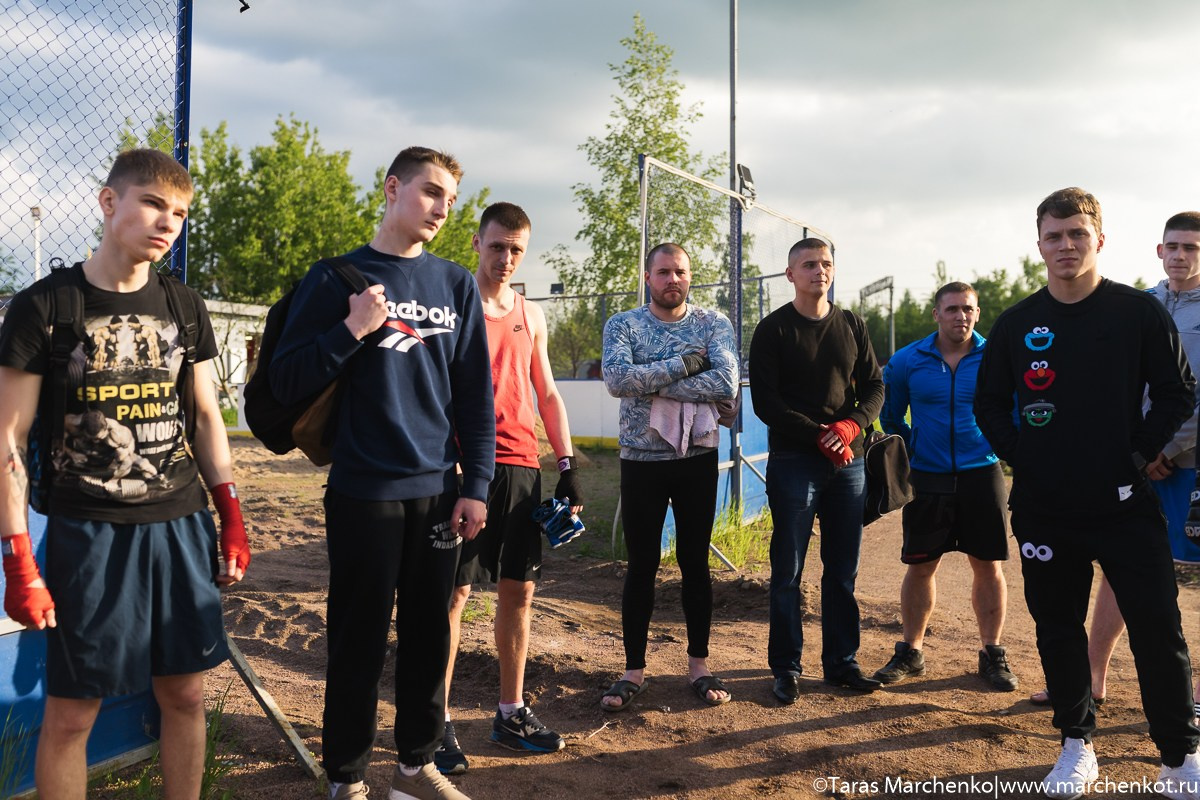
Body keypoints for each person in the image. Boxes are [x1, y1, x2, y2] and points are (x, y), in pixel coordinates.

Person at [0, 148, 250, 799]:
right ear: (110, 204)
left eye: (180, 212)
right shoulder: (45, 307)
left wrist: (230, 517)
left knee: (186, 694)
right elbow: (7, 438)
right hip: (90, 533)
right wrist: (18, 558)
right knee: (72, 712)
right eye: (153, 204)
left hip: (178, 526)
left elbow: (203, 418)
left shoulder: (183, 305)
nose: (168, 222)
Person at [269, 147, 492, 800]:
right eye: (430, 192)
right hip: (363, 492)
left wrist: (475, 486)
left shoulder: (455, 285)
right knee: (358, 644)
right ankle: (347, 777)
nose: (441, 208)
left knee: (428, 639)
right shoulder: (337, 277)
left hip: (437, 493)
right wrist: (350, 329)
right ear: (392, 190)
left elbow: (477, 398)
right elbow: (285, 380)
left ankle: (415, 764)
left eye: (450, 199)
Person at [975, 187, 1200, 800]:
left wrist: (1139, 452)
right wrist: (1025, 456)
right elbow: (989, 404)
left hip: (1126, 505)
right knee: (1057, 628)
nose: (1066, 245)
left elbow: (1179, 391)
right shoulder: (1018, 322)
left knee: (1159, 627)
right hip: (1046, 509)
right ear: (1040, 244)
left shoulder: (1136, 312)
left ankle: (1179, 759)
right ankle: (1078, 745)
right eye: (1054, 235)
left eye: (1077, 234)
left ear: (1099, 239)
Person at [1030, 211, 1200, 710]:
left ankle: (1191, 694)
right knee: (1120, 568)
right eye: (1174, 246)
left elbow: (1187, 393)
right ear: (1159, 250)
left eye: (1192, 247)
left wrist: (1163, 448)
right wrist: (1141, 450)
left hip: (1185, 459)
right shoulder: (1140, 303)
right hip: (1141, 460)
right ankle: (1091, 676)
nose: (1181, 255)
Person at [436, 202, 584, 773]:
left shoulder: (531, 313)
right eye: (497, 246)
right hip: (462, 466)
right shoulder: (452, 302)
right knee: (454, 594)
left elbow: (546, 390)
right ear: (476, 243)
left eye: (517, 249)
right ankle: (437, 720)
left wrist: (566, 462)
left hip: (522, 466)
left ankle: (510, 711)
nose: (506, 258)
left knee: (518, 591)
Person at [599, 242, 738, 711]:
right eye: (663, 272)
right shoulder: (624, 324)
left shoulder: (712, 323)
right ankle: (633, 670)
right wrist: (684, 364)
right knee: (641, 565)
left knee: (695, 563)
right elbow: (617, 380)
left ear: (690, 275)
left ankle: (699, 665)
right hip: (641, 459)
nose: (672, 280)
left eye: (679, 271)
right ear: (647, 277)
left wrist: (652, 378)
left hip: (697, 456)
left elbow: (725, 383)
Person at [748, 237, 885, 702]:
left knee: (842, 570)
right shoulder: (773, 330)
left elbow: (874, 388)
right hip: (795, 462)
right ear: (790, 274)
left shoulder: (852, 324)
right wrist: (820, 436)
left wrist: (849, 426)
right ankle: (786, 667)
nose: (818, 271)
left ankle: (841, 663)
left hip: (848, 463)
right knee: (787, 570)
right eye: (808, 265)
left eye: (826, 263)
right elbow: (766, 403)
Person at [869, 282, 1018, 692]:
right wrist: (913, 448)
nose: (960, 317)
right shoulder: (908, 360)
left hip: (982, 473)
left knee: (988, 565)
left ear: (978, 312)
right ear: (937, 314)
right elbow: (891, 415)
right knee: (920, 566)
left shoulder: (996, 358)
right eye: (951, 309)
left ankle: (992, 652)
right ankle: (911, 651)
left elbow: (1015, 410)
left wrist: (1005, 448)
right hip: (928, 476)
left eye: (967, 309)